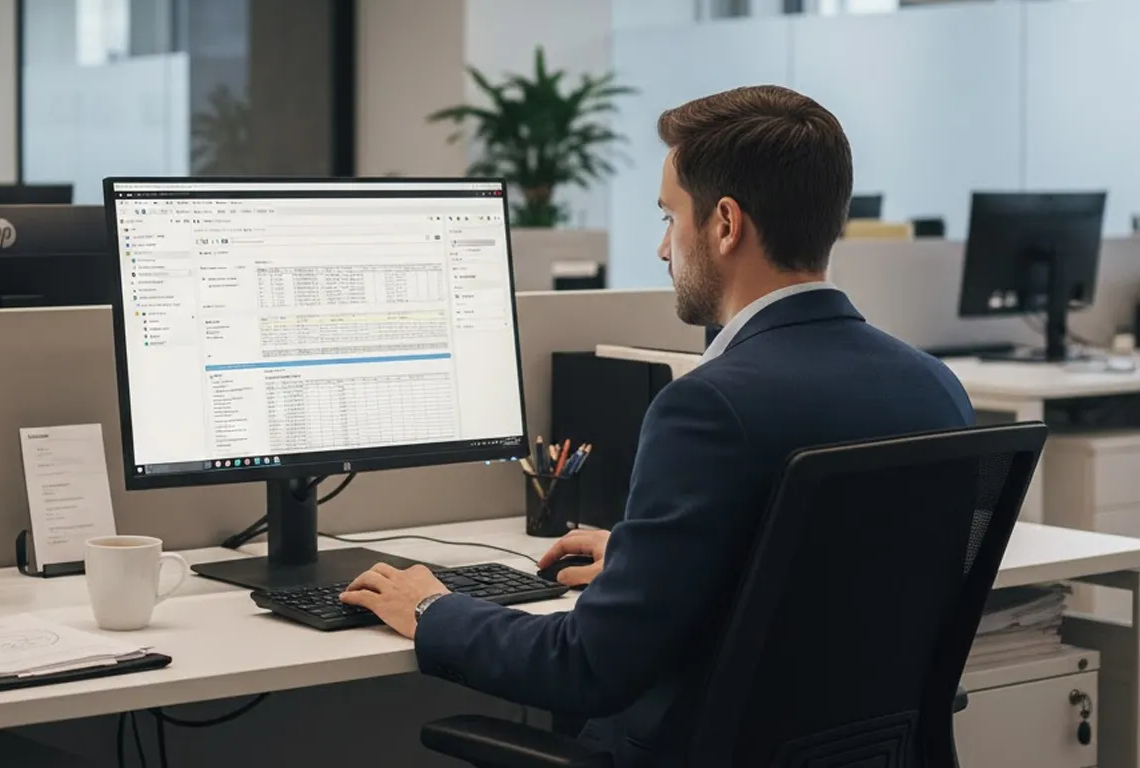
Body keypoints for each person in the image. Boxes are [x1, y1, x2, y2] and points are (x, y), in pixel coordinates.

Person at [339, 85, 974, 767]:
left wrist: (433, 608)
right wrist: (661, 565)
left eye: (671, 216)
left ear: (726, 224)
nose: (663, 247)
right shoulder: (934, 388)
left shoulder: (707, 406)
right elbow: (830, 589)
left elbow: (585, 668)